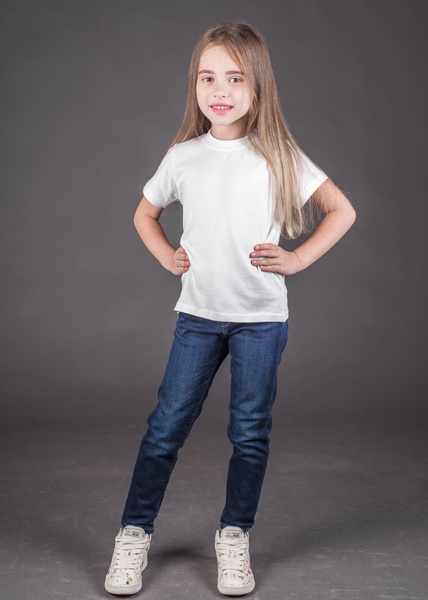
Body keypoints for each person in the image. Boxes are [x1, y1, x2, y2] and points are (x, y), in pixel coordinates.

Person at [104, 21, 356, 597]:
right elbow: (145, 214)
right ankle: (133, 533)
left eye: (235, 78)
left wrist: (298, 258)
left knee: (249, 431)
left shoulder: (279, 155)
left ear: (258, 86)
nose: (220, 90)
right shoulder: (183, 157)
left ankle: (235, 535)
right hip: (197, 318)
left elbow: (341, 210)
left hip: (260, 322)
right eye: (208, 77)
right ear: (194, 85)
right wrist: (168, 256)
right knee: (166, 427)